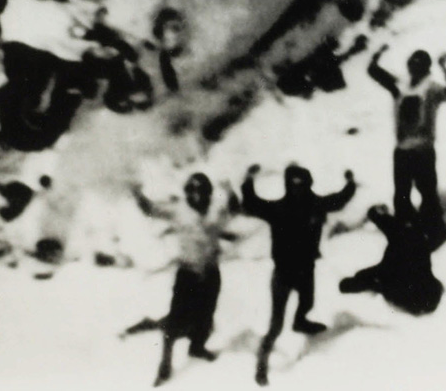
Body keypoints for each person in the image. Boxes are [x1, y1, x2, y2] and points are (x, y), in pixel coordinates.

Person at [242, 163, 356, 386]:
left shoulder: (316, 205)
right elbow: (252, 203)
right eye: (293, 186)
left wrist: (350, 183)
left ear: (308, 185)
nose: (298, 190)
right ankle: (262, 363)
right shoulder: (279, 209)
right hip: (283, 274)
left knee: (307, 301)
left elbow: (340, 199)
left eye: (302, 186)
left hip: (306, 270)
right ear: (287, 186)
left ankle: (300, 322)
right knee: (276, 325)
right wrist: (248, 179)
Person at [133, 173, 238, 386]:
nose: (197, 195)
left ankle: (197, 347)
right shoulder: (178, 209)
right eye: (192, 191)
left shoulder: (216, 208)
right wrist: (137, 193)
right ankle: (165, 364)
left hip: (210, 271)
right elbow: (150, 210)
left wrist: (229, 190)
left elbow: (234, 209)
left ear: (208, 192)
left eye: (201, 191)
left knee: (206, 314)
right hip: (187, 273)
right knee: (176, 319)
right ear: (187, 193)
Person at [366, 46, 446, 231]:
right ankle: (405, 230)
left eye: (417, 65)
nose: (413, 68)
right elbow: (373, 71)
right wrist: (376, 56)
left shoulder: (432, 89)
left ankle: (435, 228)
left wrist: (445, 69)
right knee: (402, 193)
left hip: (423, 149)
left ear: (425, 68)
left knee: (427, 192)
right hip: (402, 150)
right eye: (411, 64)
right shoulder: (400, 84)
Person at [338, 202, 445, 316]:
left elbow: (376, 276)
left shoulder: (409, 247)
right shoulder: (411, 245)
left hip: (409, 284)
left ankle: (380, 214)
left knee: (400, 237)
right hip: (410, 286)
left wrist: (375, 214)